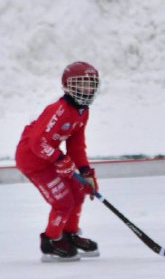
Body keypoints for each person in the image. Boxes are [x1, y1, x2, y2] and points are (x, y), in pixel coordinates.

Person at [15, 61, 101, 262]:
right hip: (33, 161)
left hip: (51, 157)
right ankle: (51, 241)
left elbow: (76, 146)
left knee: (78, 192)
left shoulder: (83, 111)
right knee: (63, 202)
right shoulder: (59, 109)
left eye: (91, 84)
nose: (87, 89)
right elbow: (38, 142)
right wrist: (60, 159)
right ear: (68, 86)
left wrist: (86, 172)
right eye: (81, 84)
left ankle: (69, 234)